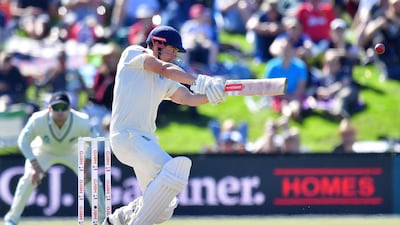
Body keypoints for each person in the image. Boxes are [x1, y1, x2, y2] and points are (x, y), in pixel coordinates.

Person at [102, 25, 225, 225]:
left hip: (145, 141)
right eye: (173, 50)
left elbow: (187, 98)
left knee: (163, 208)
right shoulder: (133, 54)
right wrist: (200, 81)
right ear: (158, 44)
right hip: (126, 136)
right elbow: (163, 68)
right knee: (174, 171)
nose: (175, 55)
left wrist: (213, 95)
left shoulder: (163, 79)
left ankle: (117, 219)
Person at [3, 91, 106, 225]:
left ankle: (102, 219)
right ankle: (12, 219)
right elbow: (23, 141)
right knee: (29, 178)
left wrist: (86, 165)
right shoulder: (37, 119)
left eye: (63, 108)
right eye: (56, 108)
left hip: (72, 150)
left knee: (92, 179)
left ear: (69, 109)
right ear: (49, 108)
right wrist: (35, 166)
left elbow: (94, 139)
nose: (60, 111)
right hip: (43, 150)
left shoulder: (81, 120)